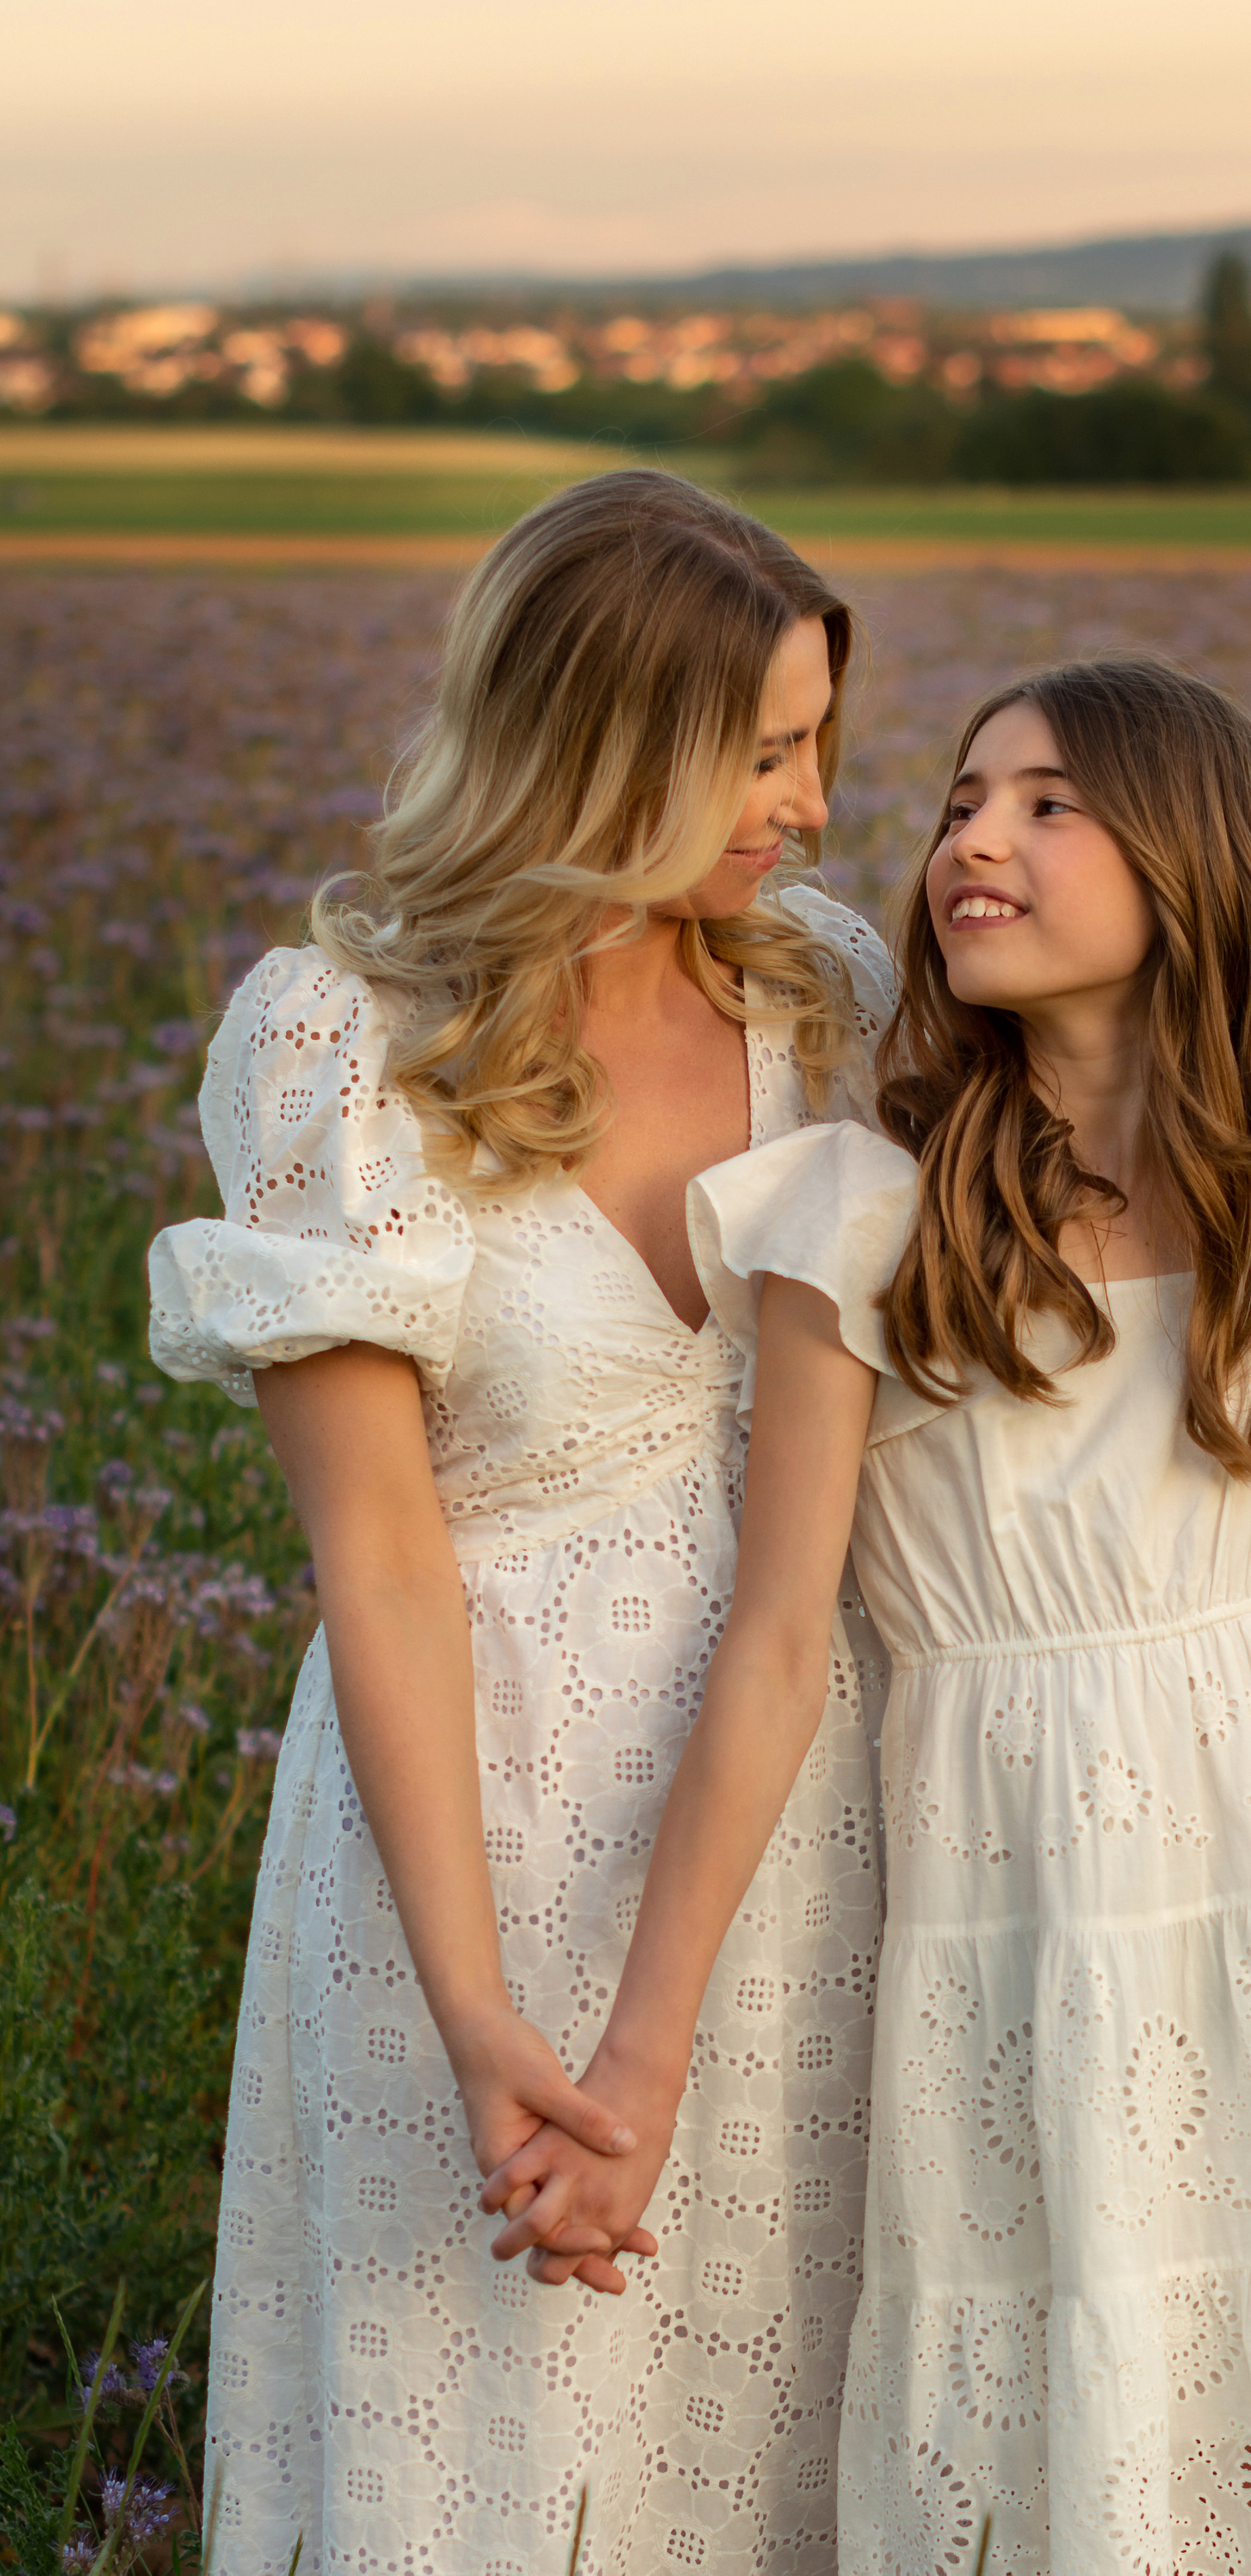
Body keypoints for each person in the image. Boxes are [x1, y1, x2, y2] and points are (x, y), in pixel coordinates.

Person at [487, 656, 1251, 2571]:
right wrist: (639, 2054)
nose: (974, 837)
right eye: (963, 801)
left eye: (1050, 802)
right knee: (1058, 2343)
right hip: (1020, 1897)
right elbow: (777, 1644)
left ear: (1198, 865)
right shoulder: (868, 1216)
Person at [147, 471, 894, 2576]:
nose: (817, 807)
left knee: (781, 2402)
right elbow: (380, 1561)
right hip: (473, 1822)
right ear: (603, 742)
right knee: (480, 2434)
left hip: (803, 1806)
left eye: (819, 739)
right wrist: (476, 2012)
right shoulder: (336, 1036)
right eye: (762, 752)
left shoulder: (821, 999)